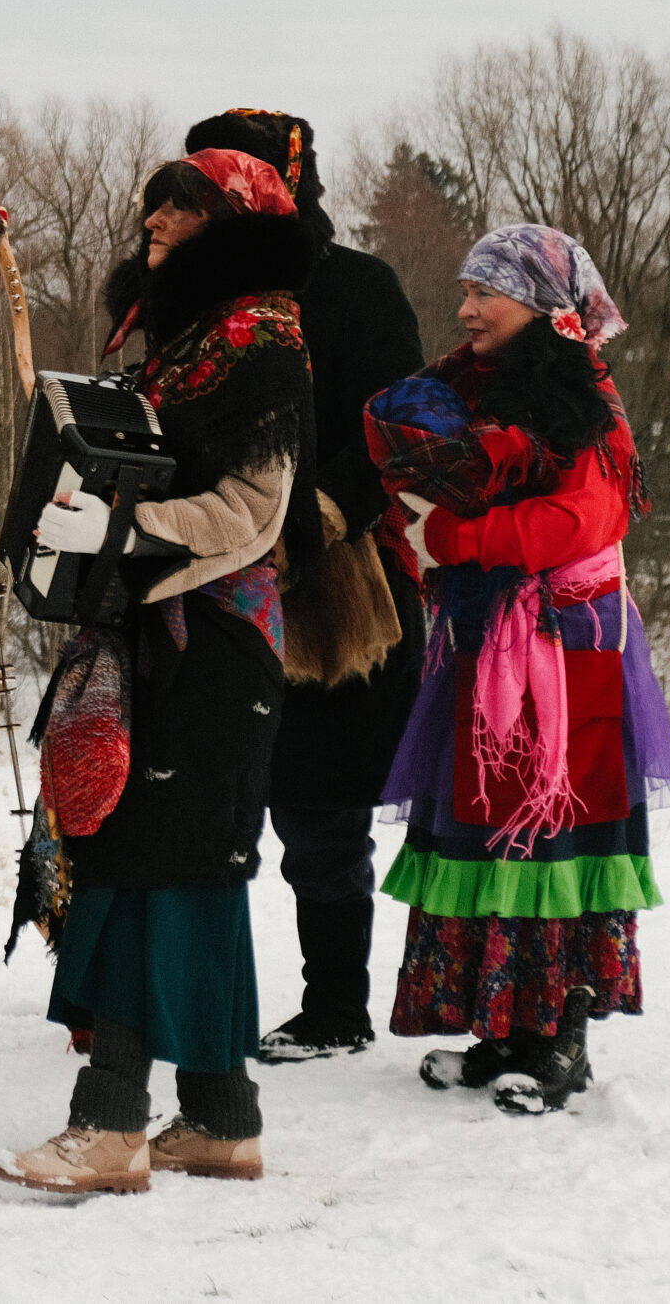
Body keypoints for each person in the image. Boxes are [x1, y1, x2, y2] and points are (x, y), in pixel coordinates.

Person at [0, 149, 317, 1196]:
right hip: (168, 636)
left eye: (187, 208)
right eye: (156, 206)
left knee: (142, 871)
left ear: (235, 226)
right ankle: (220, 1119)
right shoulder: (178, 342)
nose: (159, 220)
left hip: (214, 646)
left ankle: (110, 1126)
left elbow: (249, 516)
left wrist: (120, 528)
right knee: (194, 875)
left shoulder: (260, 345)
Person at [368, 224, 670, 1115]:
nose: (466, 308)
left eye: (486, 293)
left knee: (559, 831)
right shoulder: (486, 388)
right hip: (495, 640)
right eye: (466, 290)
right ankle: (503, 1027)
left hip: (568, 647)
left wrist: (452, 538)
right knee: (494, 820)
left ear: (542, 306)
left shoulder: (583, 396)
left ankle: (562, 1040)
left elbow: (576, 521)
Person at [181, 110, 426, 1063]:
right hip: (200, 574)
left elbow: (400, 431)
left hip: (334, 586)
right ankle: (191, 993)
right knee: (205, 807)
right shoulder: (189, 294)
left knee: (320, 812)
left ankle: (335, 1005)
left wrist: (313, 518)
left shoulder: (359, 289)